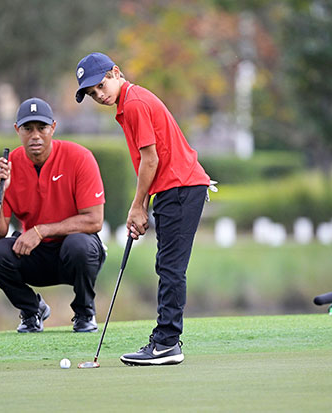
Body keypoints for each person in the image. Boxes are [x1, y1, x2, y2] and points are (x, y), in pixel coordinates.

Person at [75, 52, 212, 365]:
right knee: (167, 265)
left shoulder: (134, 103)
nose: (99, 94)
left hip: (179, 187)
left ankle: (166, 343)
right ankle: (166, 340)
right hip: (175, 188)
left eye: (100, 85)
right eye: (92, 93)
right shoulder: (129, 103)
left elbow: (151, 160)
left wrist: (138, 206)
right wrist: (144, 204)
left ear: (116, 72)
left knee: (170, 268)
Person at [0, 97, 106, 333]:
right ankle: (31, 310)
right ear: (18, 130)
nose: (35, 135)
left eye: (42, 128)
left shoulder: (80, 157)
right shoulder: (6, 168)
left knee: (80, 245)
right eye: (28, 129)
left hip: (74, 252)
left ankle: (84, 312)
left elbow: (94, 220)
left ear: (53, 128)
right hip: (34, 254)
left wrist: (41, 230)